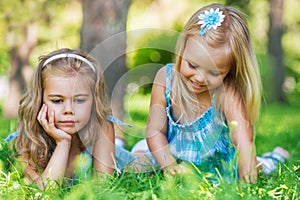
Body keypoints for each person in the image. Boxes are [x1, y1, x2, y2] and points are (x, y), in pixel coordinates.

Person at [131, 3, 289, 183]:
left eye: (214, 73)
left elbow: (244, 142)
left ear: (230, 69)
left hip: (214, 166)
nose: (199, 78)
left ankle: (274, 158)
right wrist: (170, 166)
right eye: (192, 65)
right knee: (138, 162)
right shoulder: (166, 79)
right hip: (171, 154)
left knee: (258, 168)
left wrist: (247, 187)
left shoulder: (226, 93)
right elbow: (155, 131)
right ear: (182, 49)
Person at [7, 48, 116, 189]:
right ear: (40, 100)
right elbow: (44, 193)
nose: (69, 110)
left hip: (116, 153)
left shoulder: (101, 125)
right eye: (57, 101)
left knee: (142, 158)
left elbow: (103, 186)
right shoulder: (31, 137)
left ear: (94, 101)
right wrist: (63, 143)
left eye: (80, 100)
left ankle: (130, 144)